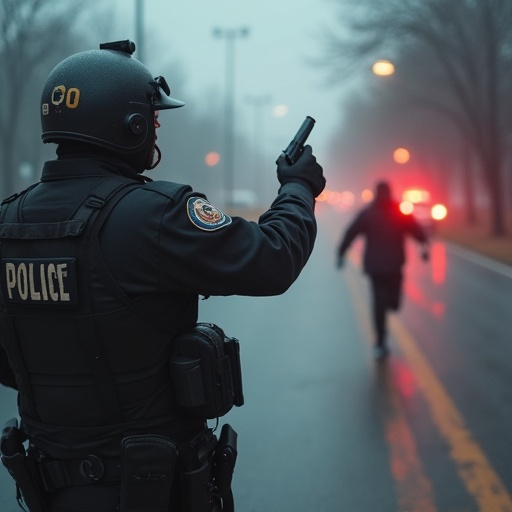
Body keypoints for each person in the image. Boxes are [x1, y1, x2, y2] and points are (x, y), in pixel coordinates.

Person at [0, 40, 325, 512]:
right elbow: (272, 258)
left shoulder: (7, 222)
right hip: (149, 488)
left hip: (51, 488)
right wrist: (298, 188)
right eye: (151, 120)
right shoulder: (154, 216)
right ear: (129, 126)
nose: (155, 131)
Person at [336, 180, 429, 359]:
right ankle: (380, 342)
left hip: (384, 266)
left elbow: (414, 229)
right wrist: (424, 244)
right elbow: (352, 232)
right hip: (384, 267)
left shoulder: (381, 212)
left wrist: (424, 245)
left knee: (388, 304)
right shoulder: (374, 213)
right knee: (383, 304)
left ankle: (382, 328)